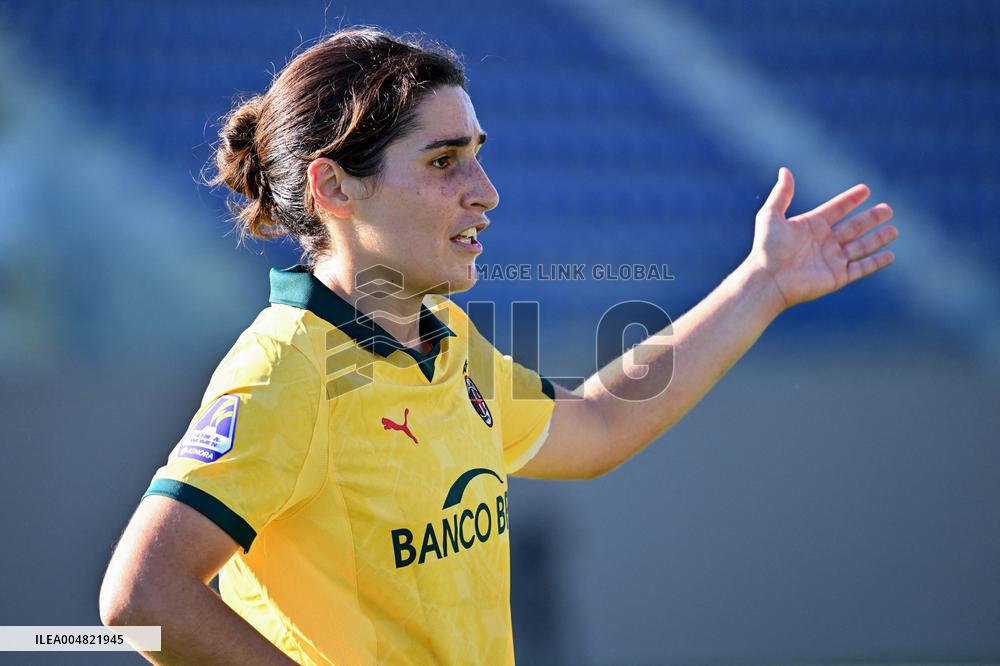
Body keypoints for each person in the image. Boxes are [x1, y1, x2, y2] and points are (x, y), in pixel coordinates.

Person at [98, 27, 898, 665]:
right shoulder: (288, 370)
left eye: (478, 155)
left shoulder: (440, 340)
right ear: (334, 187)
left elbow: (596, 426)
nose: (485, 192)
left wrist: (761, 286)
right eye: (445, 162)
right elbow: (143, 596)